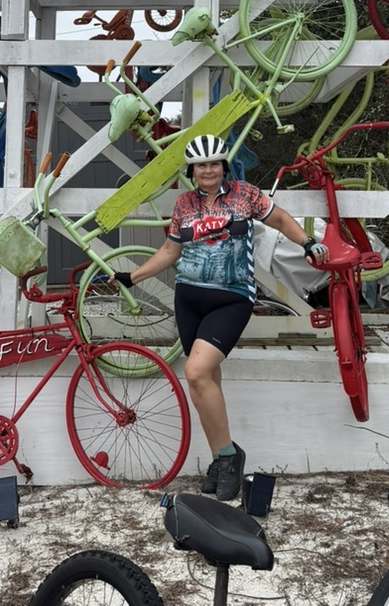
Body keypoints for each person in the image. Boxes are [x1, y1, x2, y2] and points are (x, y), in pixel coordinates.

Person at [114, 133, 328, 502]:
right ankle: (219, 458)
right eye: (201, 165)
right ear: (192, 171)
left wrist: (307, 243)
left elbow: (279, 219)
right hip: (189, 299)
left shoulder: (244, 195)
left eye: (214, 163)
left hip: (232, 298)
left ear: (223, 166)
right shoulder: (184, 204)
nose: (208, 170)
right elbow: (170, 251)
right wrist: (132, 277)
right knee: (206, 381)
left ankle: (228, 457)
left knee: (195, 372)